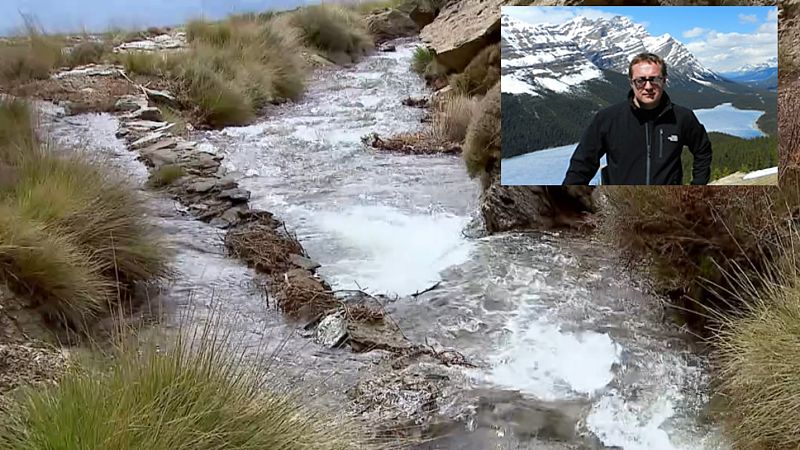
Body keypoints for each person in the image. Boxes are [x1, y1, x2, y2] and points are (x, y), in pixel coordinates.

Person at [562, 52, 712, 185]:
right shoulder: (608, 118)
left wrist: (697, 187)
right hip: (620, 203)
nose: (648, 86)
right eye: (641, 80)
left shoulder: (682, 117)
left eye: (654, 79)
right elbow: (582, 164)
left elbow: (703, 150)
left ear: (665, 81)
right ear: (631, 82)